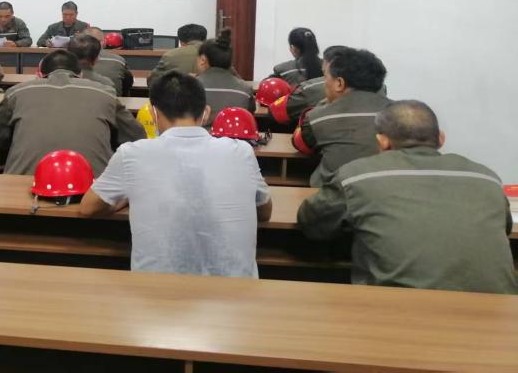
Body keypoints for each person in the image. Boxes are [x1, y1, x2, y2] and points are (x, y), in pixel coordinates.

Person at [298, 100, 516, 294]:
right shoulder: (486, 177)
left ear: (382, 141)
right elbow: (504, 228)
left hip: (401, 311)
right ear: (441, 139)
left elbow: (312, 223)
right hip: (499, 312)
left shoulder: (356, 175)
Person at [80, 71, 272, 276]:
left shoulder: (131, 154)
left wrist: (126, 198)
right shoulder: (242, 152)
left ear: (153, 114)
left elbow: (88, 208)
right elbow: (264, 212)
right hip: (237, 292)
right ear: (206, 112)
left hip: (156, 291)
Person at [0, 49, 145, 176]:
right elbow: (136, 136)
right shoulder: (105, 93)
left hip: (23, 184)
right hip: (93, 187)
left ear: (40, 75)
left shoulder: (16, 92)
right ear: (80, 74)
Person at [296, 47, 392, 187]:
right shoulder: (403, 115)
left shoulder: (319, 117)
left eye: (326, 77)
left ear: (339, 83)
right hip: (388, 189)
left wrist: (323, 105)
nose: (324, 82)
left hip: (337, 193)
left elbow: (301, 144)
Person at [195, 29, 255, 124]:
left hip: (200, 133)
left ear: (203, 60)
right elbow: (250, 115)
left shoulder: (189, 87)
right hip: (235, 133)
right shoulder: (245, 89)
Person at [86, 27, 133, 96]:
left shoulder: (74, 60)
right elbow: (128, 82)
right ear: (104, 42)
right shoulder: (119, 60)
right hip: (114, 100)